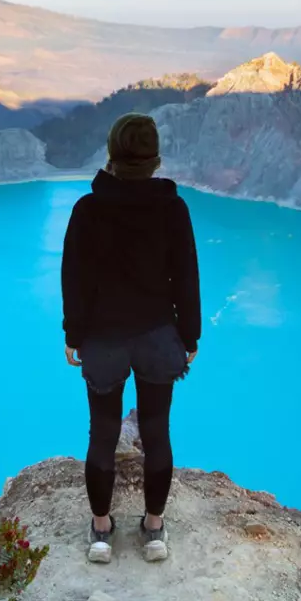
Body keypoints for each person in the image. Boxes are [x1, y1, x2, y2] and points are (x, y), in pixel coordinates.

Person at [60, 113, 201, 564]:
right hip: (159, 336)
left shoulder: (88, 209)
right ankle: (154, 530)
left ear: (112, 155)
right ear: (155, 159)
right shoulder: (172, 209)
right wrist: (190, 337)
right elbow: (187, 278)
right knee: (157, 432)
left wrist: (74, 334)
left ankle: (101, 533)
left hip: (103, 340)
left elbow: (73, 279)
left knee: (102, 434)